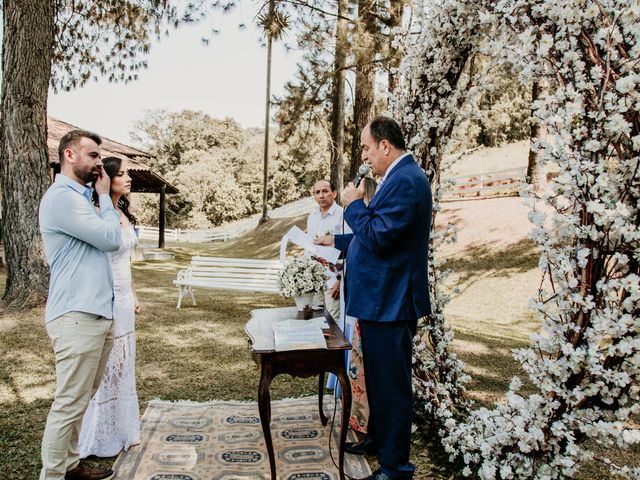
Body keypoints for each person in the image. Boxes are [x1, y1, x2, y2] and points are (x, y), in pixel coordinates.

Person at [315, 116, 432, 480]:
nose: (364, 156)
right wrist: (335, 241)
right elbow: (373, 237)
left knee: (393, 388)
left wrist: (352, 205)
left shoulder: (408, 181)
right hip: (378, 301)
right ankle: (379, 440)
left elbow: (379, 236)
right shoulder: (392, 180)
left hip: (392, 302)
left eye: (366, 147)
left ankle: (396, 468)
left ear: (385, 145)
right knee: (379, 381)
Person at [39, 130, 122, 480]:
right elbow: (110, 239)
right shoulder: (63, 198)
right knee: (69, 403)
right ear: (69, 155)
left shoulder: (80, 198)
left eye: (99, 156)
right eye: (92, 155)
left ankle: (71, 466)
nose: (98, 163)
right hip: (76, 315)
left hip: (96, 314)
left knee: (82, 398)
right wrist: (105, 197)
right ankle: (53, 475)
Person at [78, 157, 142, 458]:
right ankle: (99, 435)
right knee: (107, 367)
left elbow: (126, 262)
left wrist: (134, 294)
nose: (128, 178)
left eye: (128, 173)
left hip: (126, 298)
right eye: (121, 174)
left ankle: (123, 428)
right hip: (107, 297)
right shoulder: (96, 213)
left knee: (124, 363)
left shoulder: (122, 212)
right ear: (106, 179)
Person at [306, 179, 351, 322]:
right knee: (314, 315)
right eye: (317, 192)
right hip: (314, 277)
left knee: (333, 320)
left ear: (335, 193)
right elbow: (309, 246)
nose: (321, 195)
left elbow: (349, 247)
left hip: (333, 278)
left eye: (325, 191)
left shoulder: (343, 215)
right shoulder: (312, 217)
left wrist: (340, 279)